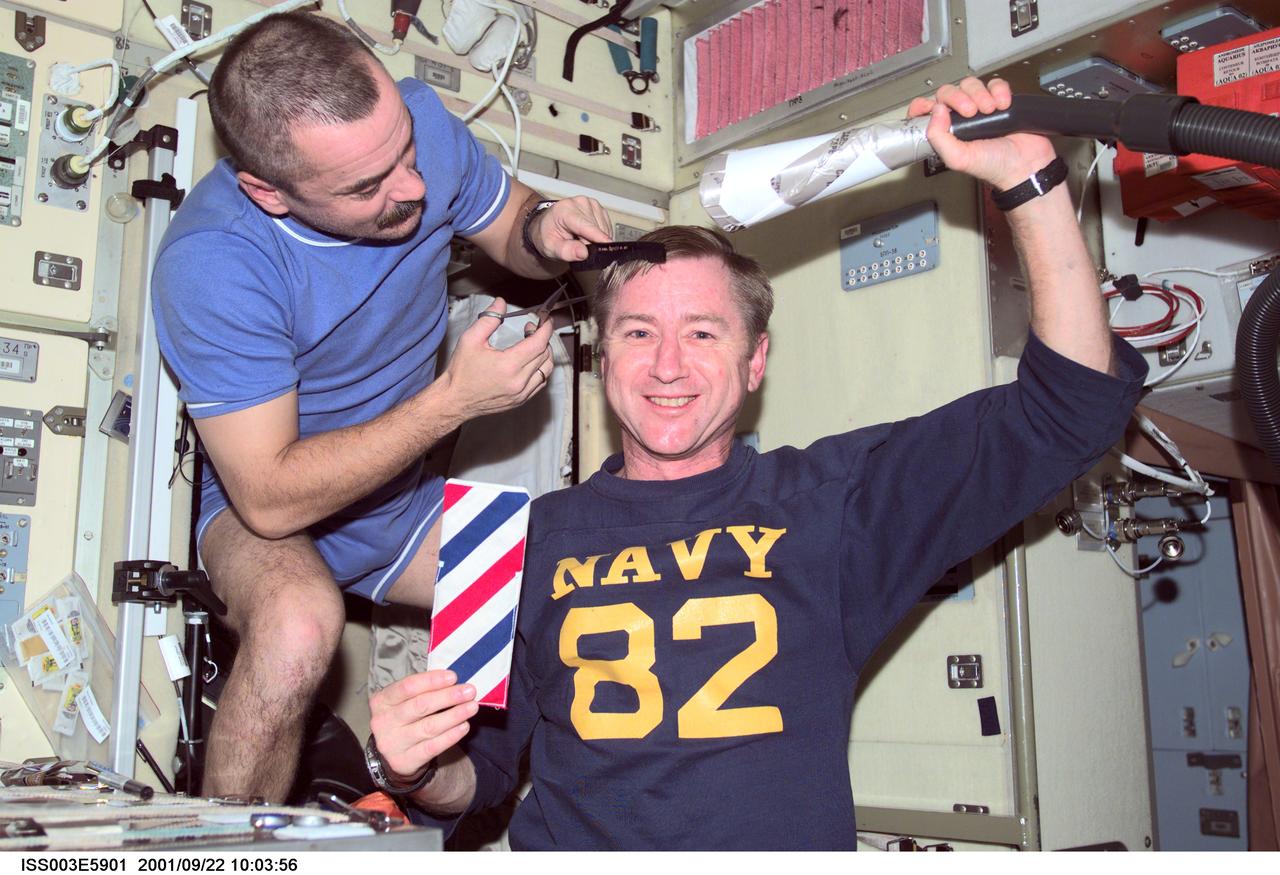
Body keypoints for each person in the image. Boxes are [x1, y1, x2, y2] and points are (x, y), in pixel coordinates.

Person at [365, 78, 1149, 849]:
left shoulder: (833, 502)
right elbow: (476, 783)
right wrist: (415, 769)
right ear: (603, 358)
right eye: (638, 333)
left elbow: (1071, 408)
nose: (667, 365)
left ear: (755, 361)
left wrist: (1031, 182)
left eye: (703, 333)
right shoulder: (510, 541)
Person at [151, 11, 611, 801]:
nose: (414, 189)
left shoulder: (419, 128)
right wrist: (452, 405)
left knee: (578, 583)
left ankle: (444, 796)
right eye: (368, 187)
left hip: (395, 501)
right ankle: (223, 845)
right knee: (298, 628)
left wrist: (545, 228)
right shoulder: (214, 264)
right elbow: (267, 495)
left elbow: (507, 226)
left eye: (404, 155)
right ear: (268, 191)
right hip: (272, 507)